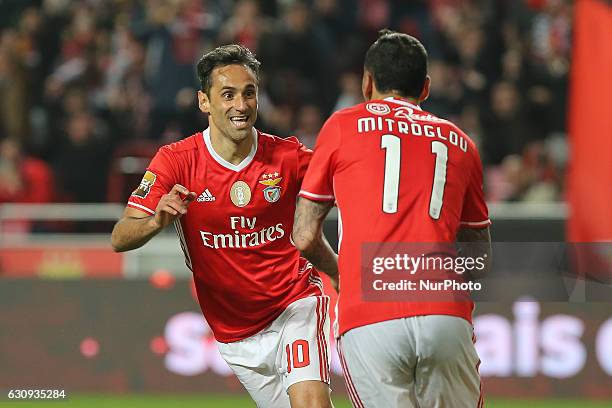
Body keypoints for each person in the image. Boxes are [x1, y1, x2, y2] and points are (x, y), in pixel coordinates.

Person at [111, 44, 333, 408]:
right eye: (227, 95)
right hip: (235, 334)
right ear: (204, 102)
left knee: (312, 404)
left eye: (249, 93)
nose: (241, 106)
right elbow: (120, 237)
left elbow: (348, 183)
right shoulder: (176, 162)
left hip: (295, 305)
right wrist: (157, 220)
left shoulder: (288, 156)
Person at [293, 30, 492, 408]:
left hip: (370, 316)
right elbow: (479, 258)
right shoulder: (461, 142)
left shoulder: (342, 126)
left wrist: (340, 271)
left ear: (367, 82)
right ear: (426, 87)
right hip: (444, 313)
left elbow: (303, 235)